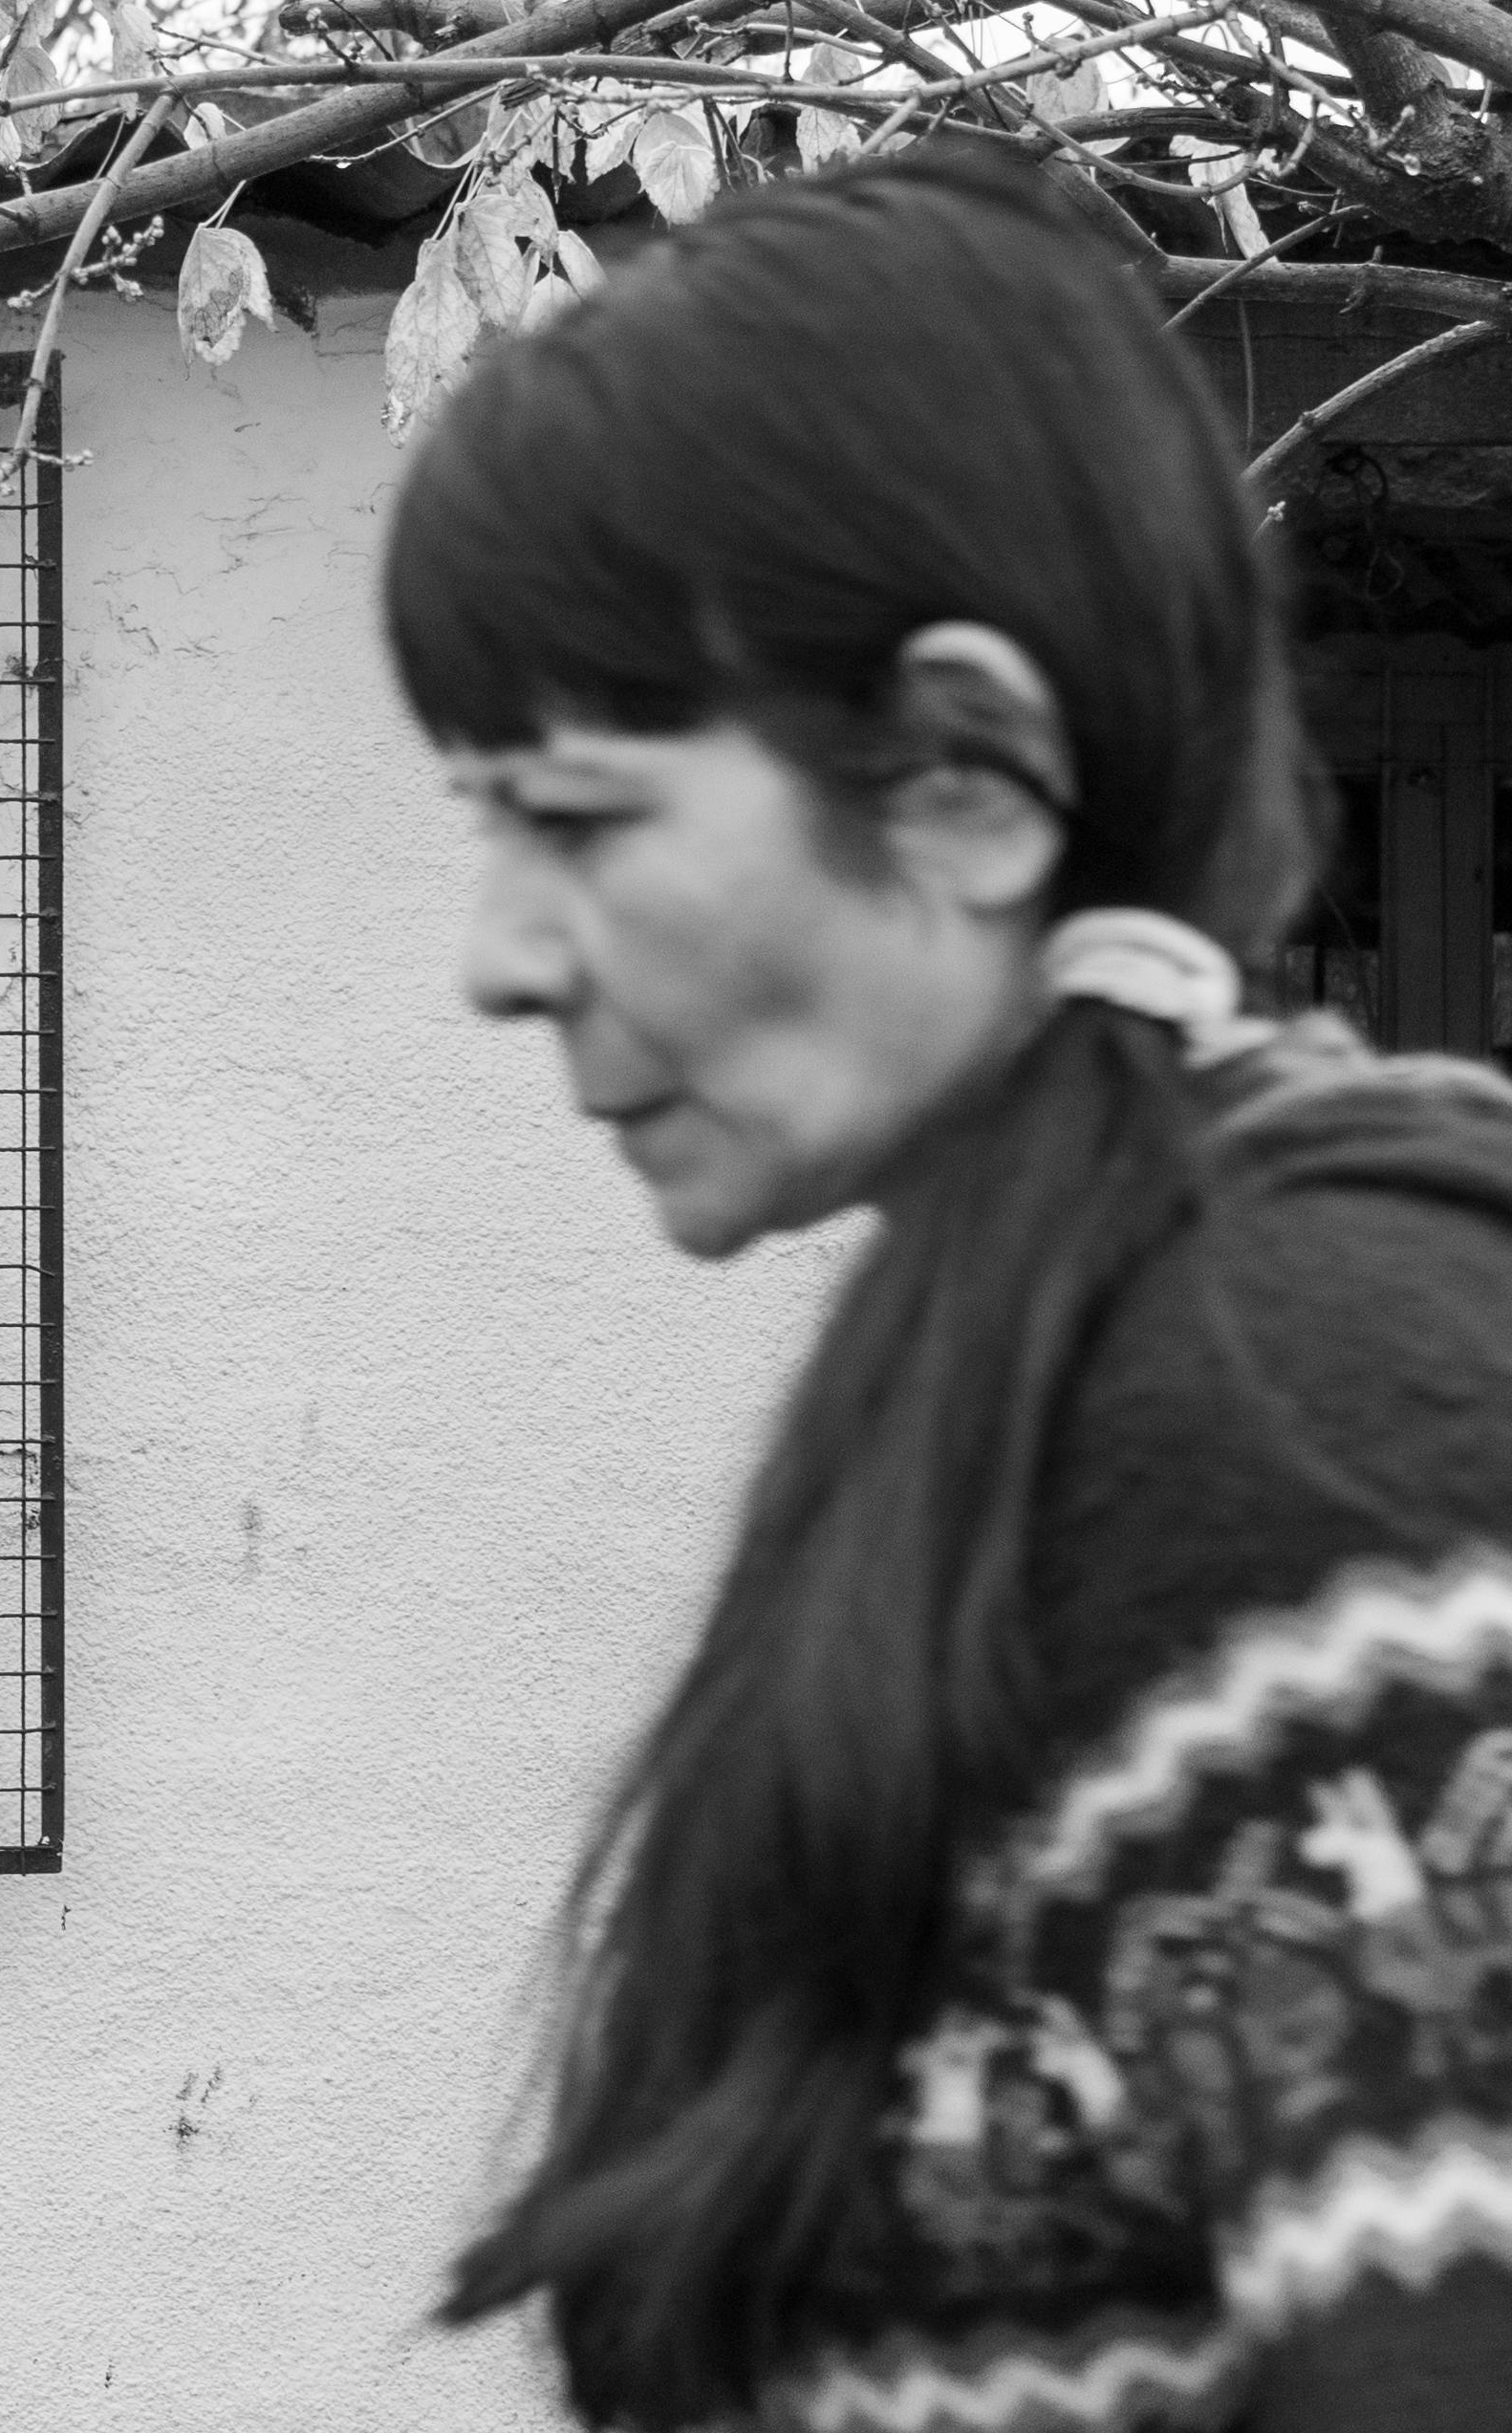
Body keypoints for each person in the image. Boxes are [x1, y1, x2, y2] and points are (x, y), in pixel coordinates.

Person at [390, 153, 1512, 2428]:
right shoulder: (1060, 1341)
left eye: (578, 815)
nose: (496, 958)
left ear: (966, 784)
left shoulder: (1306, 1423)